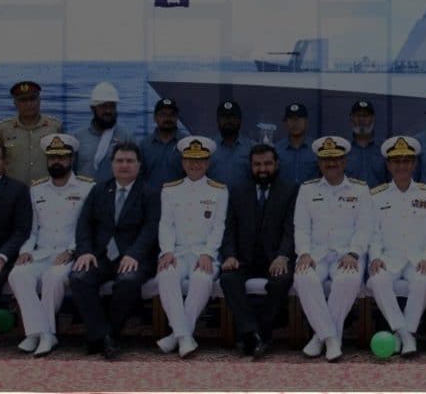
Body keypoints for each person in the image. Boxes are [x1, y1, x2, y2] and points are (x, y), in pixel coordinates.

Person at [71, 142, 160, 359]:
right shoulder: (99, 190)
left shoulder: (150, 192)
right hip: (100, 256)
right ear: (112, 164)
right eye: (119, 160)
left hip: (135, 257)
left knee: (128, 281)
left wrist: (134, 254)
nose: (124, 165)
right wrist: (85, 251)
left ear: (139, 165)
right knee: (79, 277)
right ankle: (104, 336)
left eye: (130, 161)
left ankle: (105, 335)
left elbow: (151, 229)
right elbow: (84, 225)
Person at [9, 133, 93, 356]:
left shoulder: (86, 187)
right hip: (42, 252)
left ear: (71, 159)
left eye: (62, 157)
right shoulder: (36, 189)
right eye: (53, 157)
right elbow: (32, 229)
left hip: (70, 254)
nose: (57, 161)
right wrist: (26, 251)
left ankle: (39, 334)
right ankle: (42, 333)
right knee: (17, 274)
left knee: (53, 278)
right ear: (47, 159)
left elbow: (88, 227)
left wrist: (72, 250)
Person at [293, 136, 373, 362]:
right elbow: (301, 227)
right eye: (326, 159)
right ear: (319, 163)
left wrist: (354, 252)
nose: (331, 163)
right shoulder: (307, 190)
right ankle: (330, 338)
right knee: (304, 278)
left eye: (336, 159)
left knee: (348, 279)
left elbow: (365, 227)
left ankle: (319, 338)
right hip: (315, 254)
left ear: (345, 161)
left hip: (347, 254)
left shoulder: (360, 189)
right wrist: (304, 253)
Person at [367, 136, 426, 358]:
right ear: (388, 165)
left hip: (419, 258)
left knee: (423, 280)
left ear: (414, 164)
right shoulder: (377, 196)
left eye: (406, 161)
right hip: (389, 258)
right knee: (377, 280)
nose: (401, 166)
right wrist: (375, 256)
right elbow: (373, 232)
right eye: (396, 161)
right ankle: (406, 334)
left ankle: (404, 334)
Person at [219, 144, 298, 358]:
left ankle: (258, 333)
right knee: (228, 278)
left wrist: (283, 256)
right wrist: (230, 255)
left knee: (281, 280)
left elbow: (291, 229)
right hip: (244, 259)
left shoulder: (290, 190)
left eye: (267, 164)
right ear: (250, 166)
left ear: (277, 164)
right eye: (257, 164)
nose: (262, 169)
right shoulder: (237, 190)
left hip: (276, 259)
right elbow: (228, 228)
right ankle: (252, 331)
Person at [155, 135, 228, 358]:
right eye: (190, 160)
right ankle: (185, 336)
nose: (195, 164)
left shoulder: (219, 191)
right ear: (183, 162)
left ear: (208, 163)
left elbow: (218, 226)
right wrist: (167, 251)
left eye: (200, 160)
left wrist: (208, 253)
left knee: (202, 278)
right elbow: (165, 224)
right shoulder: (169, 190)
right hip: (177, 251)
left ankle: (177, 336)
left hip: (204, 253)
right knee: (166, 274)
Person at [0, 142, 32, 338]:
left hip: (4, 256)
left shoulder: (18, 190)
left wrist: (1, 256)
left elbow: (21, 231)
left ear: (5, 162)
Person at [0, 81, 63, 185]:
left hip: (47, 189)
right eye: (23, 100)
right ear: (15, 103)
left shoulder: (54, 127)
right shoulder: (2, 129)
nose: (29, 104)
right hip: (12, 190)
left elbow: (63, 159)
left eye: (32, 99)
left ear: (39, 101)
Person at [74, 82, 134, 183]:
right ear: (93, 109)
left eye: (112, 106)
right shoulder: (79, 137)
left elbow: (133, 172)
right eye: (103, 106)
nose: (108, 111)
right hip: (84, 192)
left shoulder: (126, 137)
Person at [139, 98, 187, 191]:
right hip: (150, 199)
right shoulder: (144, 145)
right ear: (155, 118)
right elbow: (139, 177)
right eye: (163, 114)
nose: (167, 118)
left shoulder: (187, 143)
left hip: (180, 198)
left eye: (172, 114)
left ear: (177, 117)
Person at [209, 100, 252, 188]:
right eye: (224, 117)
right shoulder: (208, 147)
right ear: (217, 121)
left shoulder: (251, 147)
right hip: (213, 196)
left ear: (240, 120)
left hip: (243, 197)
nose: (228, 121)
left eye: (233, 117)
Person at [346, 100, 388, 188]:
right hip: (348, 196)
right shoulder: (343, 148)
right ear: (351, 118)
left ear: (373, 118)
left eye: (365, 116)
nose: (361, 119)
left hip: (379, 196)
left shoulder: (385, 148)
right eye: (358, 116)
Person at [274, 103, 319, 185]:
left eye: (298, 119)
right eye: (291, 119)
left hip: (312, 193)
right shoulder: (276, 150)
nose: (295, 123)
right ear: (285, 123)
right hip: (284, 193)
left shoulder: (317, 148)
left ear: (306, 122)